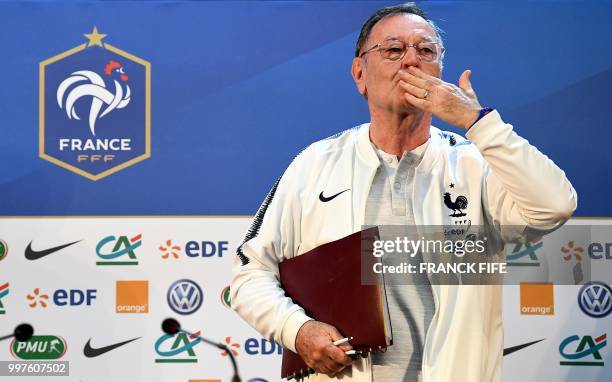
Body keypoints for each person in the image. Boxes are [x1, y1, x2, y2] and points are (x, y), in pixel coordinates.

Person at [231, 3, 577, 381]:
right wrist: (296, 331)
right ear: (359, 73)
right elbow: (249, 275)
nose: (411, 61)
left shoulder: (475, 164)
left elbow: (554, 206)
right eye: (393, 50)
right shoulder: (314, 164)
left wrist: (477, 123)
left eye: (426, 51)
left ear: (440, 72)